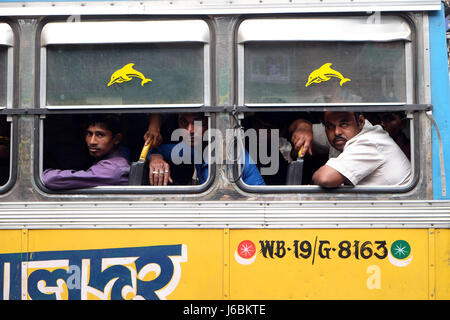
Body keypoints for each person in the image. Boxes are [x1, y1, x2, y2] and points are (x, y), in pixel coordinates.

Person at [290, 111, 411, 188]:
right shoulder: (343, 136)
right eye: (330, 126)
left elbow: (325, 178)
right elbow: (293, 128)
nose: (337, 132)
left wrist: (312, 183)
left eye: (344, 124)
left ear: (361, 122)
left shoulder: (370, 141)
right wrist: (303, 126)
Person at [147, 112, 266, 186]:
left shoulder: (225, 160)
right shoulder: (198, 148)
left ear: (211, 124)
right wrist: (155, 158)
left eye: (198, 123)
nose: (190, 130)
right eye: (183, 122)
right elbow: (160, 150)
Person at [42, 115, 130, 190]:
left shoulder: (112, 169)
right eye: (89, 134)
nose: (92, 142)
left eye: (100, 135)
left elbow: (51, 180)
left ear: (116, 139)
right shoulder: (106, 161)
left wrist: (46, 173)